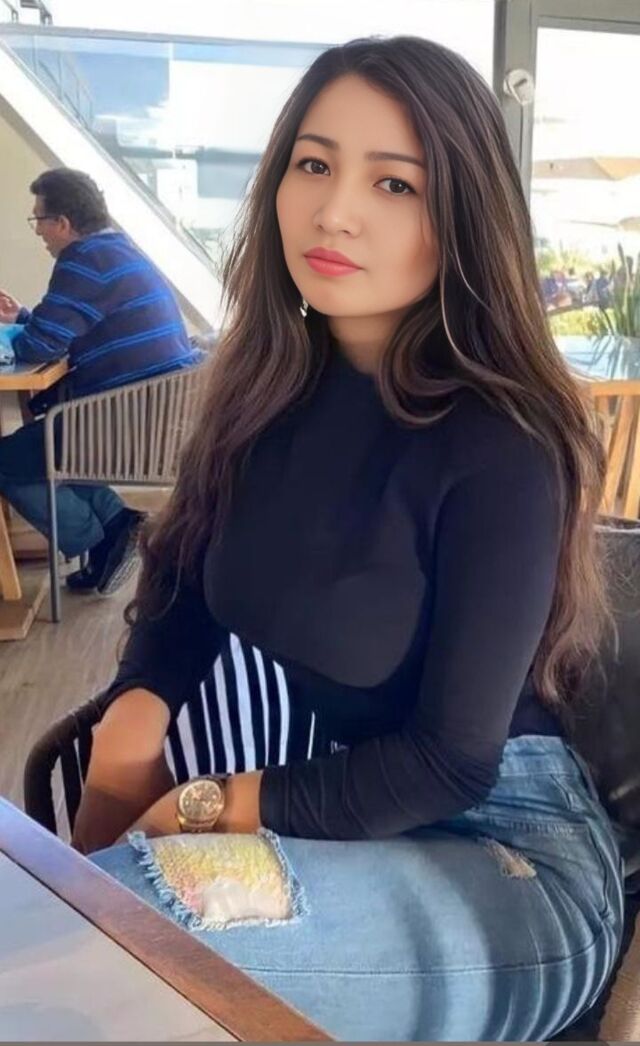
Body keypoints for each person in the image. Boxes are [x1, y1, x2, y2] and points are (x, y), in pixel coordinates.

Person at [71, 38, 623, 1041]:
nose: (334, 211)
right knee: (87, 931)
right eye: (314, 164)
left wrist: (199, 803)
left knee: (136, 937)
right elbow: (187, 578)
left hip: (513, 864)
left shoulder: (501, 443)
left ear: (462, 218)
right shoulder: (263, 393)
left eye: (394, 183)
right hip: (352, 824)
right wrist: (135, 711)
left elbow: (449, 764)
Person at [0, 168, 201, 594]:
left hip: (122, 421)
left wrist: (18, 334)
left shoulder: (84, 261)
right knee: (41, 449)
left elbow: (40, 346)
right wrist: (22, 318)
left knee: (9, 461)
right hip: (150, 413)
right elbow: (69, 329)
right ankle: (117, 524)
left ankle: (99, 537)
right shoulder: (114, 251)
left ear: (62, 223)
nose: (38, 231)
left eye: (39, 219)